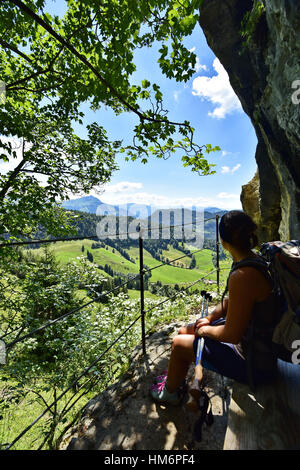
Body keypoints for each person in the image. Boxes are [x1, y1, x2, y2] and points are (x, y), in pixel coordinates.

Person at [150, 210, 279, 405]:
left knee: (178, 343)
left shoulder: (243, 275)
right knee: (185, 330)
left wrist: (206, 330)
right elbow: (231, 302)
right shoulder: (256, 260)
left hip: (254, 363)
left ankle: (170, 393)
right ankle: (175, 377)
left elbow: (231, 335)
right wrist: (209, 318)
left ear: (222, 241)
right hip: (257, 345)